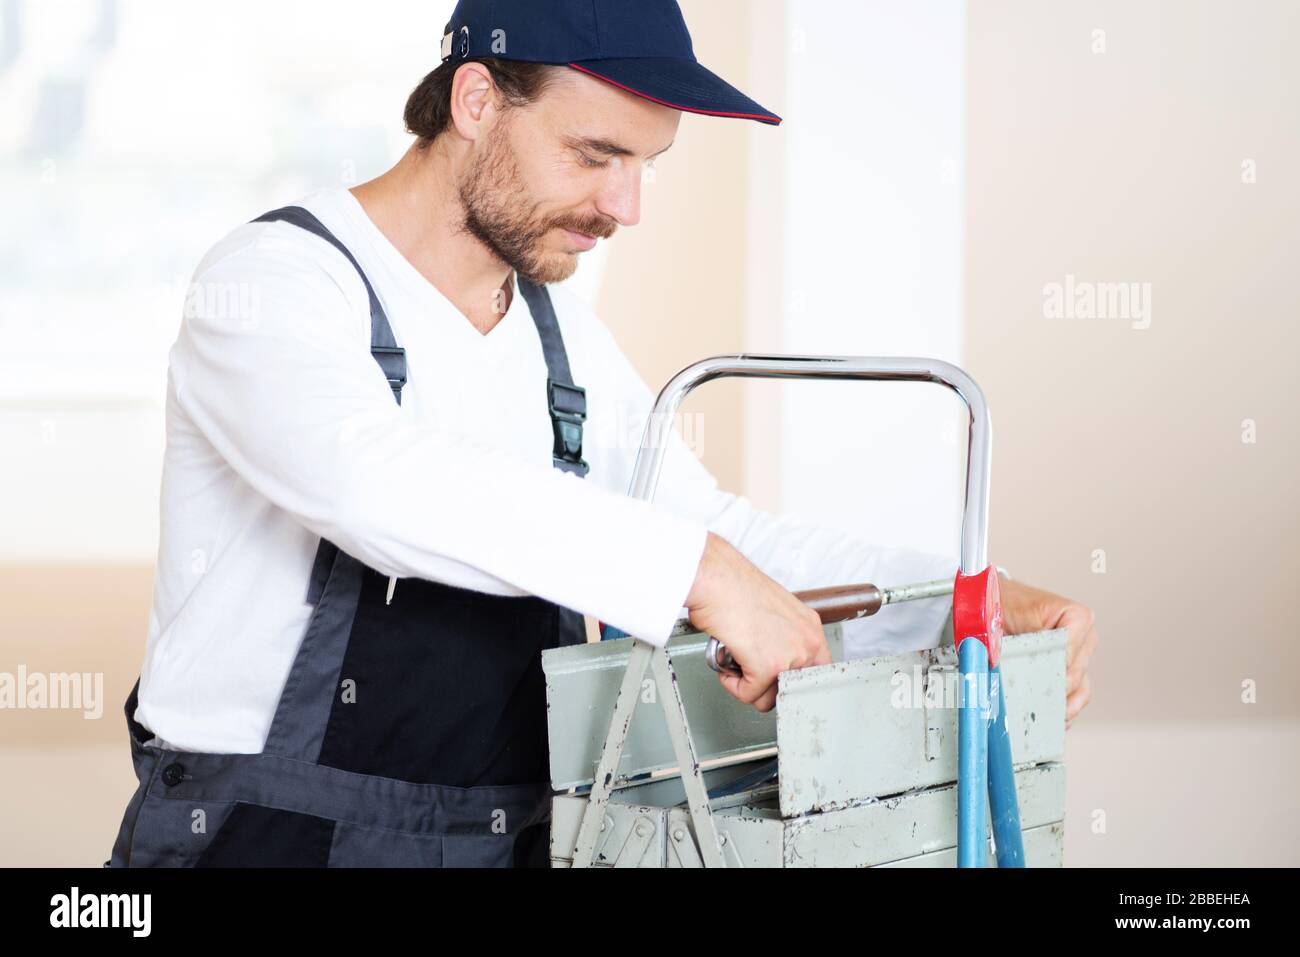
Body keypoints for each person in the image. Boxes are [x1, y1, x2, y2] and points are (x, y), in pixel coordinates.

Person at [109, 0, 1096, 868]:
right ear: (476, 102)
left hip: (512, 838)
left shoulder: (557, 337)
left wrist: (966, 603)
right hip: (263, 841)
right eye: (597, 155)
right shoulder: (277, 282)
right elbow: (373, 485)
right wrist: (698, 572)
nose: (625, 206)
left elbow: (714, 528)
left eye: (645, 166)